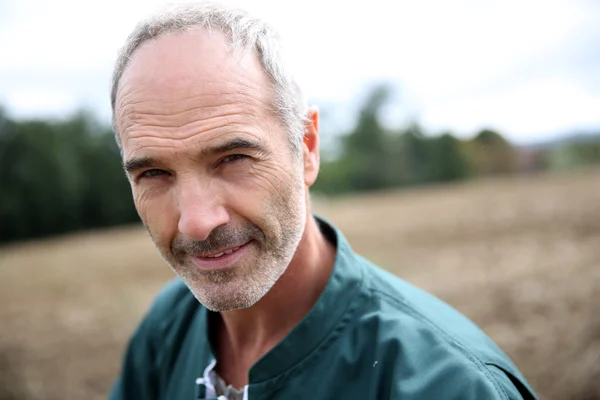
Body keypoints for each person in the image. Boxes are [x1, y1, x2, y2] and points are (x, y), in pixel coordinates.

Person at [108, 3, 537, 399]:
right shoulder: (167, 328)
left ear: (307, 147)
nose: (197, 222)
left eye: (233, 158)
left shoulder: (448, 384)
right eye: (154, 173)